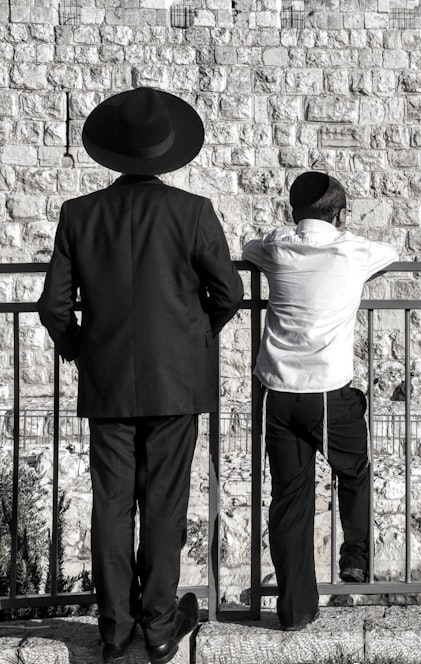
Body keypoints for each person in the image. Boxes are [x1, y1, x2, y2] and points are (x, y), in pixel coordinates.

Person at [37, 87, 243, 664]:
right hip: (176, 382)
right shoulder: (193, 212)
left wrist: (83, 350)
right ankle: (158, 627)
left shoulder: (79, 213)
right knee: (163, 503)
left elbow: (53, 308)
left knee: (111, 503)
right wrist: (193, 338)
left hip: (106, 384)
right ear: (166, 152)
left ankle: (112, 628)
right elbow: (229, 293)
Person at [242, 171, 398, 631]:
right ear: (341, 214)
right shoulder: (353, 252)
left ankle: (294, 610)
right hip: (328, 394)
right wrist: (342, 231)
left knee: (290, 499)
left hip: (278, 395)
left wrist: (288, 232)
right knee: (354, 471)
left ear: (293, 213)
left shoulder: (275, 248)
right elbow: (391, 253)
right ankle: (355, 557)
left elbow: (251, 249)